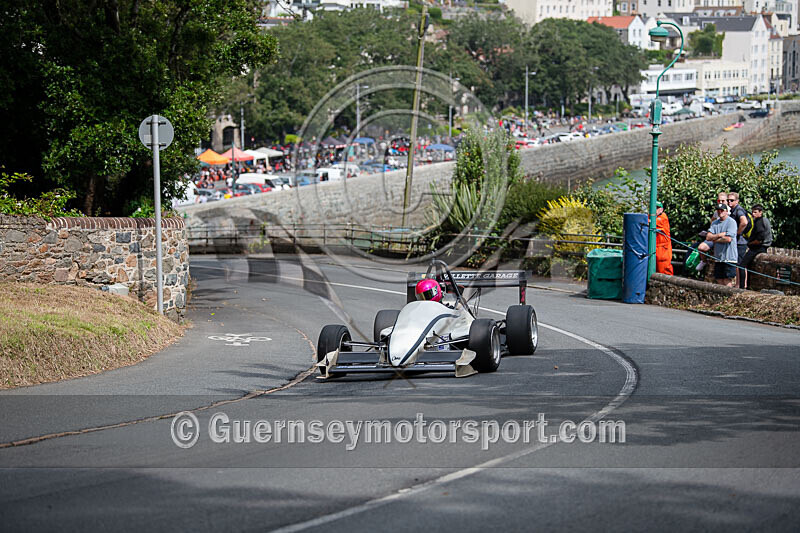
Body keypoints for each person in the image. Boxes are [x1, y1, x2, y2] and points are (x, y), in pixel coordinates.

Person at [739, 204, 773, 289]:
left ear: (760, 213)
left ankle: (742, 286)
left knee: (742, 265)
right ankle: (749, 286)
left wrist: (750, 244)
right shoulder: (763, 220)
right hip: (762, 247)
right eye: (753, 212)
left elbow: (759, 239)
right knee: (750, 266)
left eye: (755, 212)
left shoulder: (760, 222)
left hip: (758, 247)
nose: (753, 214)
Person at [706, 202, 738, 286]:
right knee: (719, 279)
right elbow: (708, 237)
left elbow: (728, 239)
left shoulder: (731, 222)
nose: (720, 212)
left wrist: (715, 239)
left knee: (727, 280)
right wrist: (720, 235)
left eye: (722, 210)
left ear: (726, 211)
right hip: (718, 257)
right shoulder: (715, 223)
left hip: (729, 257)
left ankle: (728, 298)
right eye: (718, 210)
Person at [695, 191, 729, 271]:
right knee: (701, 247)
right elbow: (712, 221)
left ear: (727, 201)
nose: (721, 202)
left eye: (723, 201)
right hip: (715, 236)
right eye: (719, 201)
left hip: (724, 237)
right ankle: (703, 261)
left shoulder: (730, 212)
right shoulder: (716, 212)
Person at [727, 192, 749, 288]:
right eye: (728, 200)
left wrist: (737, 233)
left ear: (737, 201)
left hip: (741, 242)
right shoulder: (732, 210)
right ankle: (739, 284)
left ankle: (741, 285)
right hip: (738, 241)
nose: (729, 202)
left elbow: (744, 222)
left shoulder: (738, 210)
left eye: (731, 200)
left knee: (740, 264)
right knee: (737, 263)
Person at [655, 201, 674, 275]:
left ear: (661, 209)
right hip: (656, 247)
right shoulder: (654, 217)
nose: (655, 210)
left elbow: (649, 222)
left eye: (657, 208)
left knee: (664, 269)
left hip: (663, 248)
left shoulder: (662, 217)